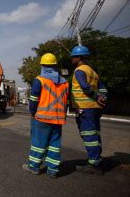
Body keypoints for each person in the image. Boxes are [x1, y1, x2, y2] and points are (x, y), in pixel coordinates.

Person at [22, 53, 69, 179]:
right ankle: (53, 170)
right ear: (55, 66)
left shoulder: (39, 80)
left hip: (42, 118)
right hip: (58, 119)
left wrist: (32, 112)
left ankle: (34, 167)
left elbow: (33, 100)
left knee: (38, 143)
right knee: (54, 145)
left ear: (43, 66)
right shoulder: (65, 82)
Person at [70, 45, 107, 174]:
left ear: (79, 58)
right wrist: (102, 97)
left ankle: (93, 164)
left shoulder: (79, 70)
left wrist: (97, 96)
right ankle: (97, 159)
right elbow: (102, 88)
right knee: (95, 134)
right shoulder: (93, 72)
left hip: (85, 108)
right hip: (95, 107)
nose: (71, 59)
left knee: (88, 134)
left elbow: (85, 87)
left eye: (73, 57)